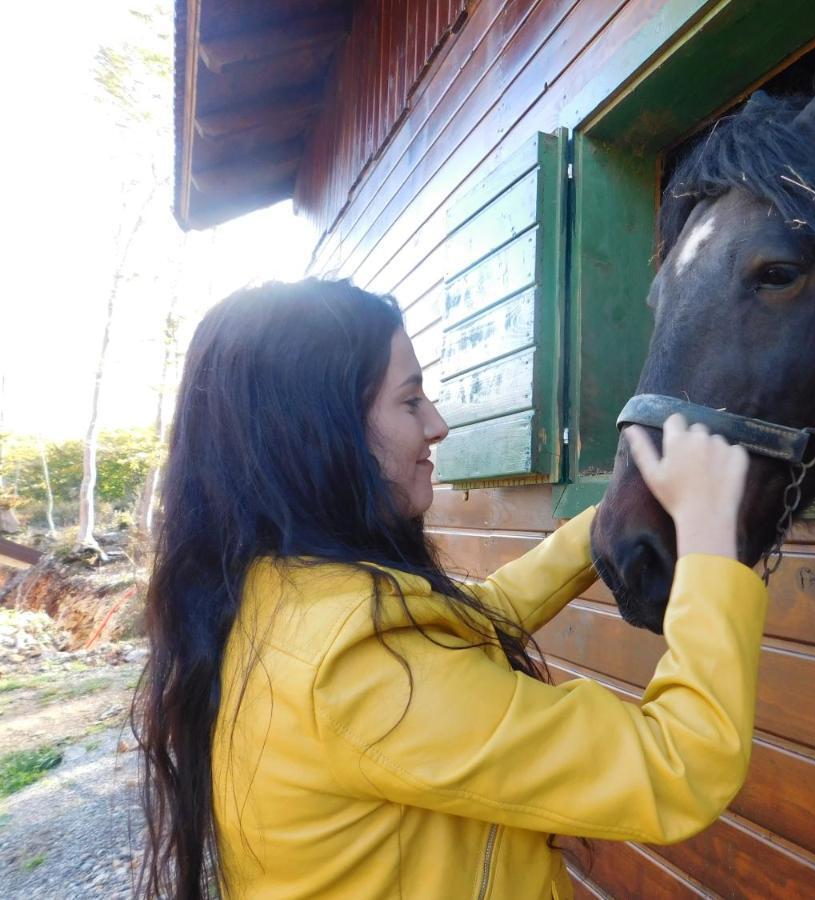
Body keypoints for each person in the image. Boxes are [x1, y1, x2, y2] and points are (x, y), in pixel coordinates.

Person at [135, 278, 767, 899]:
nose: (436, 425)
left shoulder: (282, 595)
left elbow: (470, 623)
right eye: (410, 401)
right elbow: (682, 764)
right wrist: (712, 536)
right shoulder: (359, 667)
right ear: (318, 433)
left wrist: (607, 521)